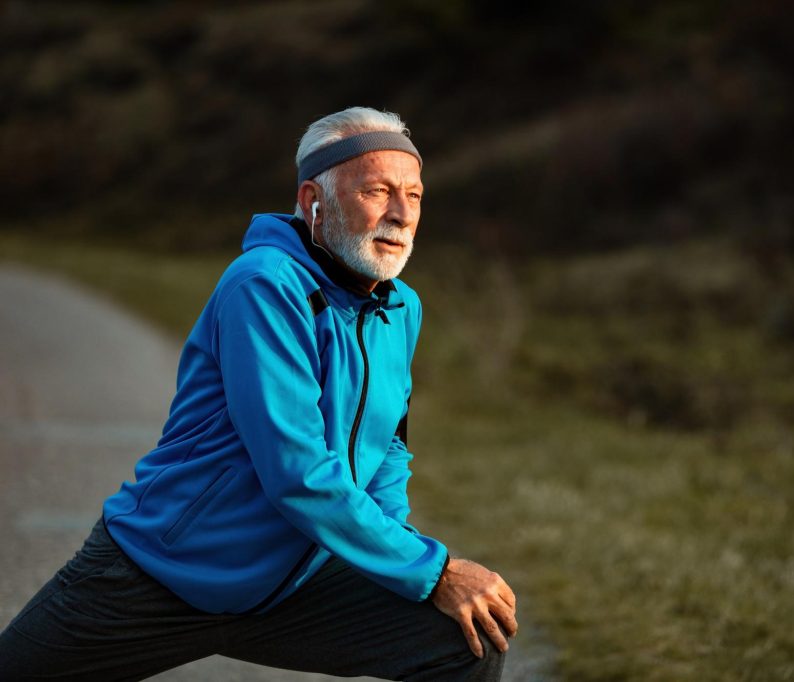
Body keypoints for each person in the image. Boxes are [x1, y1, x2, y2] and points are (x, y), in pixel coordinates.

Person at [0, 107, 516, 681]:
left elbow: (388, 447)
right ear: (313, 201)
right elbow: (295, 471)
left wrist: (395, 556)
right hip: (162, 573)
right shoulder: (265, 284)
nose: (400, 214)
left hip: (293, 585)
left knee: (466, 640)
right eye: (377, 191)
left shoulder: (400, 308)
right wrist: (436, 571)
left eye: (414, 195)